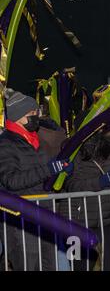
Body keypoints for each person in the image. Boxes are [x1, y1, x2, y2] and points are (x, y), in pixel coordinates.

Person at [0, 91, 73, 271]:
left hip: (44, 214)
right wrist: (49, 169)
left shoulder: (36, 140)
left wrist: (61, 172)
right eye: (30, 114)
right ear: (17, 116)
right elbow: (12, 181)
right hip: (21, 220)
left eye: (35, 113)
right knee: (28, 264)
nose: (35, 117)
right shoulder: (6, 144)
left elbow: (43, 175)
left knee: (50, 265)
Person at [58, 113, 110, 271]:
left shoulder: (108, 149)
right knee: (79, 266)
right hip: (76, 222)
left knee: (107, 264)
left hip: (105, 220)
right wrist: (102, 181)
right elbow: (71, 184)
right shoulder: (69, 150)